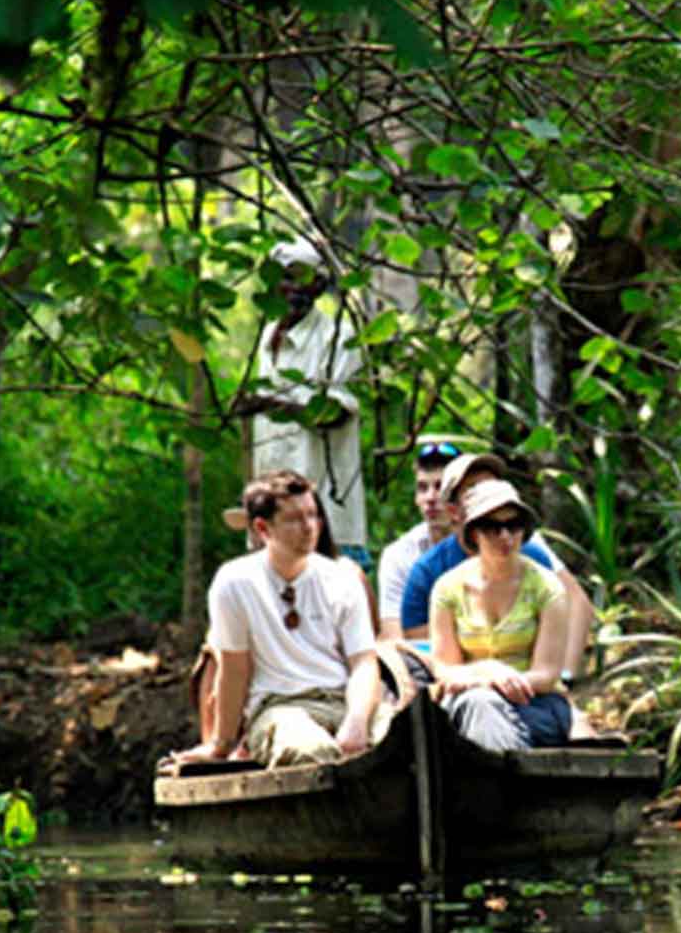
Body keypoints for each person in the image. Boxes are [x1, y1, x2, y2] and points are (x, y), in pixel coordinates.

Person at [169, 470, 387, 769]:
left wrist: (357, 721)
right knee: (313, 753)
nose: (309, 527)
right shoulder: (234, 581)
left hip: (343, 699)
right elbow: (234, 669)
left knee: (404, 745)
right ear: (263, 529)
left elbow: (363, 662)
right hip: (279, 708)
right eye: (295, 519)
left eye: (313, 515)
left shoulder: (343, 578)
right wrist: (221, 744)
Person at [398, 453, 594, 681]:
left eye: (492, 485)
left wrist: (565, 676)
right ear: (454, 511)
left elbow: (576, 602)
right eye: (473, 489)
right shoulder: (430, 573)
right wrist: (484, 675)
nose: (505, 535)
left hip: (531, 686)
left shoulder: (532, 554)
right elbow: (419, 645)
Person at [245, 238, 372, 574]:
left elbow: (338, 413)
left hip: (328, 517)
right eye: (284, 278)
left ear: (318, 285)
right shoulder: (267, 337)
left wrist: (277, 404)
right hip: (272, 521)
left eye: (302, 278)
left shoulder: (338, 337)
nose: (293, 289)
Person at [428, 478, 574, 752]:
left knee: (483, 712)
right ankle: (506, 780)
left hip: (535, 705)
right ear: (474, 534)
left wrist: (505, 682)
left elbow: (546, 674)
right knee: (479, 705)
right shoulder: (447, 588)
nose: (505, 537)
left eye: (513, 525)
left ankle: (493, 778)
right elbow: (445, 670)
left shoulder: (547, 587)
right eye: (492, 527)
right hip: (467, 700)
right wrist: (488, 674)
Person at [375, 439, 465, 641]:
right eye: (423, 488)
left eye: (440, 487)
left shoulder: (503, 533)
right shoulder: (398, 555)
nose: (431, 498)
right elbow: (394, 637)